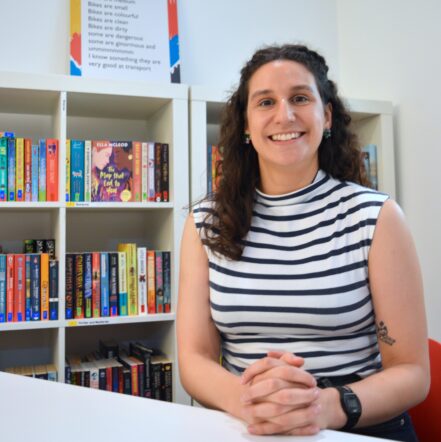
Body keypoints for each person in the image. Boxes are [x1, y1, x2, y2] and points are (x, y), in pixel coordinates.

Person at [177, 44, 429, 441]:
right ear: (245, 123)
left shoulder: (377, 217)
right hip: (252, 423)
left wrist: (325, 406)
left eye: (299, 98)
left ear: (326, 115)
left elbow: (413, 372)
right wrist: (251, 401)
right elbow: (194, 358)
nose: (285, 115)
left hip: (357, 423)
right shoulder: (204, 223)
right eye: (265, 102)